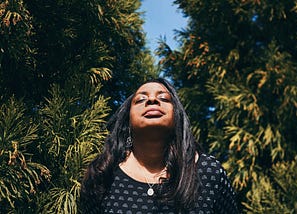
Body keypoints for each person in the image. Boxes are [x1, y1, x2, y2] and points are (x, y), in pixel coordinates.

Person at [80, 78, 238, 213]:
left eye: (164, 98)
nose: (152, 100)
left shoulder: (208, 172)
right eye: (141, 99)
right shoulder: (103, 175)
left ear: (177, 117)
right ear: (127, 120)